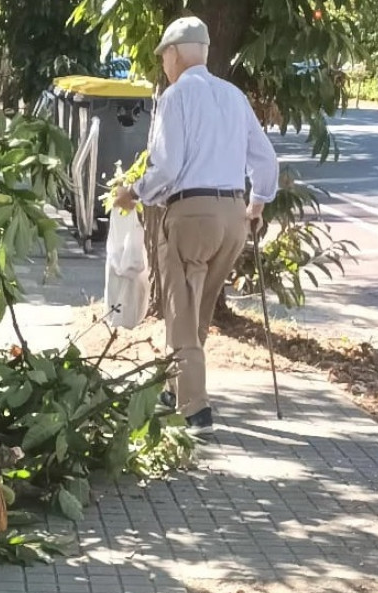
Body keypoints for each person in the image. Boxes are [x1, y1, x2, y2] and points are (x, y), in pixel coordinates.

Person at [113, 16, 278, 437]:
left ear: (174, 53)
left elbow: (166, 165)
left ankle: (195, 410)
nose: (164, 65)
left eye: (164, 57)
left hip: (190, 213)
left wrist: (135, 191)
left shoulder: (176, 96)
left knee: (181, 311)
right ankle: (173, 389)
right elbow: (265, 158)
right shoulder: (233, 95)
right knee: (198, 309)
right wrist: (257, 202)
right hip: (233, 216)